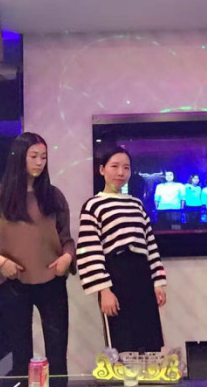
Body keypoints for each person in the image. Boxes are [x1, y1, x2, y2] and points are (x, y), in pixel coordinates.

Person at [0, 132, 76, 378]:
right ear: (19, 157)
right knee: (20, 356)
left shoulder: (54, 196)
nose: (40, 162)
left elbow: (67, 240)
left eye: (44, 157)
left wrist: (67, 258)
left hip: (52, 281)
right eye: (34, 156)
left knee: (58, 356)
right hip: (13, 282)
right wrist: (0, 261)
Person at [76, 147, 167, 352]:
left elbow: (150, 246)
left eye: (126, 168)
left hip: (142, 274)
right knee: (121, 340)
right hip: (115, 276)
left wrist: (158, 283)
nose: (120, 173)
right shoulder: (93, 205)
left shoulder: (136, 205)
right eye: (114, 166)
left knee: (149, 339)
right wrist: (104, 291)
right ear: (102, 170)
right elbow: (90, 250)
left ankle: (148, 372)